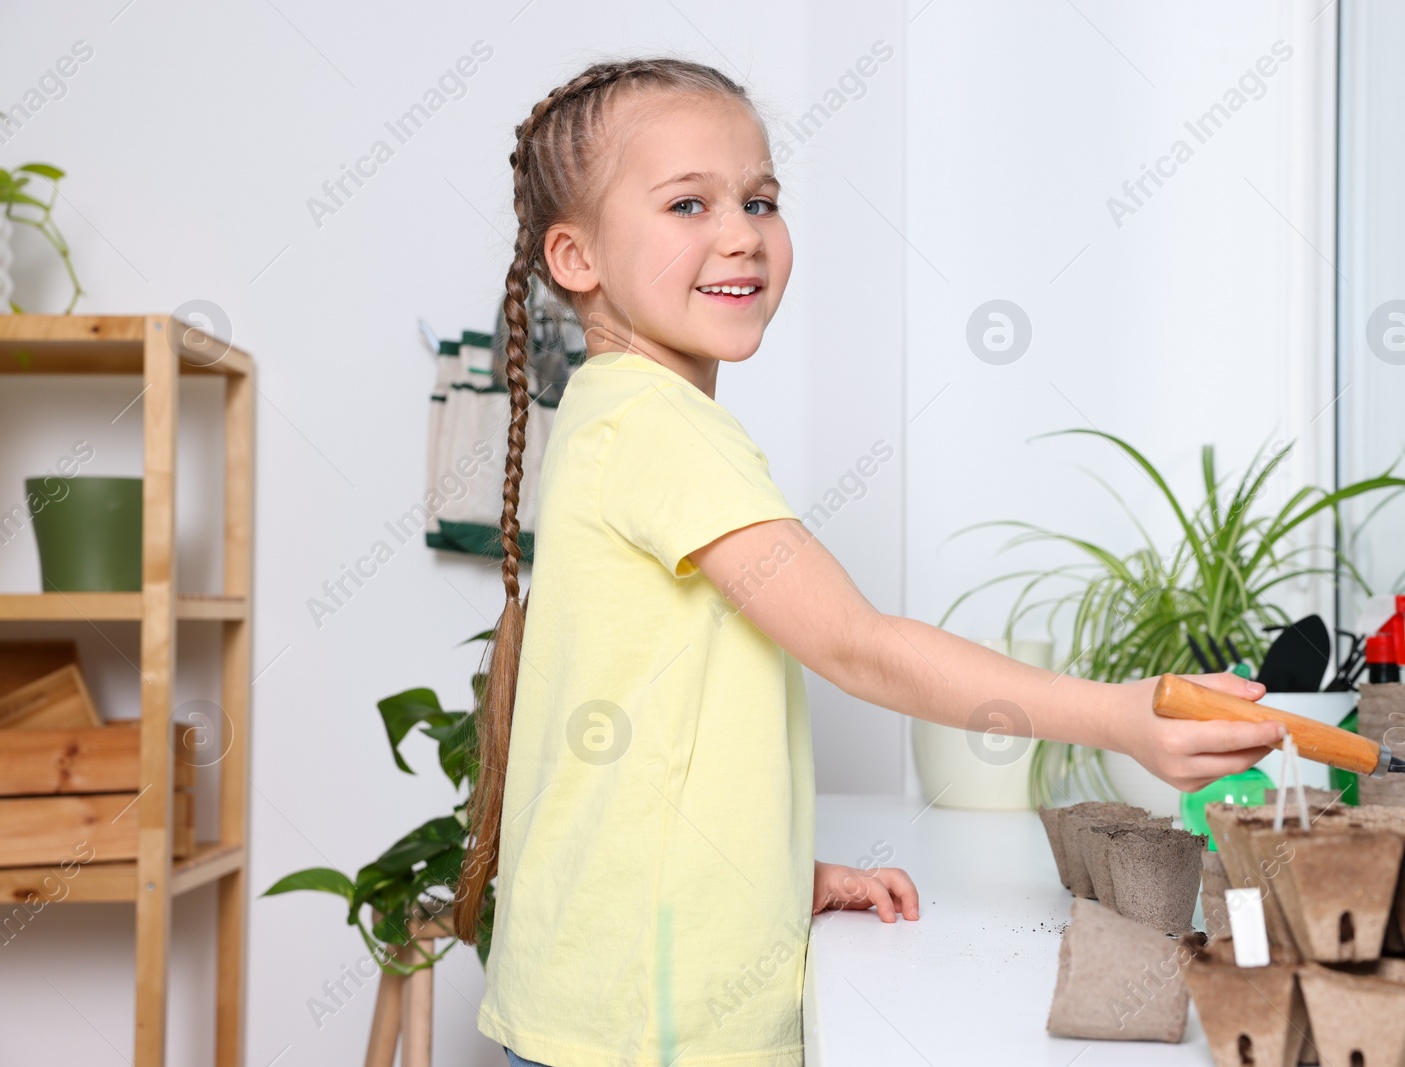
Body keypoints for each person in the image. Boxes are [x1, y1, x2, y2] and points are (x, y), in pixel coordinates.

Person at [452, 56, 1285, 1067]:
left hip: (612, 994)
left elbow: (649, 740)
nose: (739, 233)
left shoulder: (615, 419)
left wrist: (775, 876)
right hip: (650, 1023)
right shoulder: (658, 425)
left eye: (758, 199)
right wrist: (1119, 713)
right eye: (687, 203)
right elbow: (858, 646)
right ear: (575, 257)